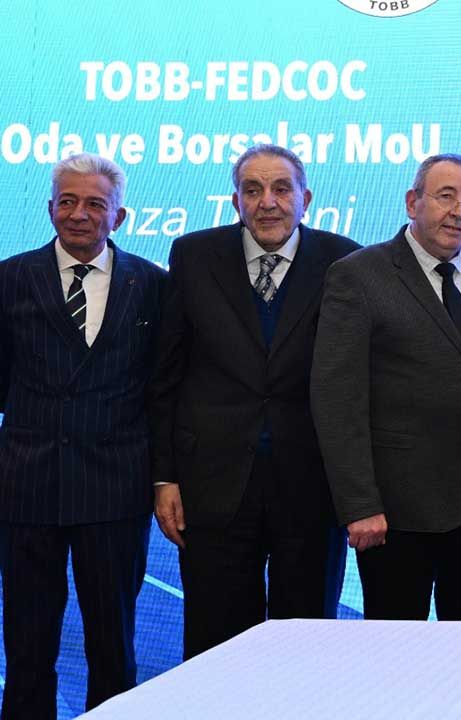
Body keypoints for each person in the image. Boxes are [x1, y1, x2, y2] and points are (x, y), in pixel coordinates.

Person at [147, 144, 358, 658]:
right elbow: (166, 375)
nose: (268, 202)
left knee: (306, 648)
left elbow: (357, 383)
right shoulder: (193, 256)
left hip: (312, 491)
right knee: (215, 648)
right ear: (235, 201)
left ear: (306, 198)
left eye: (282, 189)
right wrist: (165, 477)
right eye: (253, 189)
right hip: (213, 489)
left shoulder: (344, 260)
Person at [311, 153, 461, 621]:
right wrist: (359, 504)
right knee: (395, 654)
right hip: (395, 515)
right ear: (412, 202)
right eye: (445, 196)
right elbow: (337, 398)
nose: (459, 212)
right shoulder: (358, 275)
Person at [0, 153, 166, 716]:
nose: (79, 214)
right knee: (26, 645)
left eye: (95, 203)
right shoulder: (9, 279)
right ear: (50, 208)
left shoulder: (153, 285)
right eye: (68, 201)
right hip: (27, 485)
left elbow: (160, 388)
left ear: (119, 217)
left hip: (115, 487)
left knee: (113, 646)